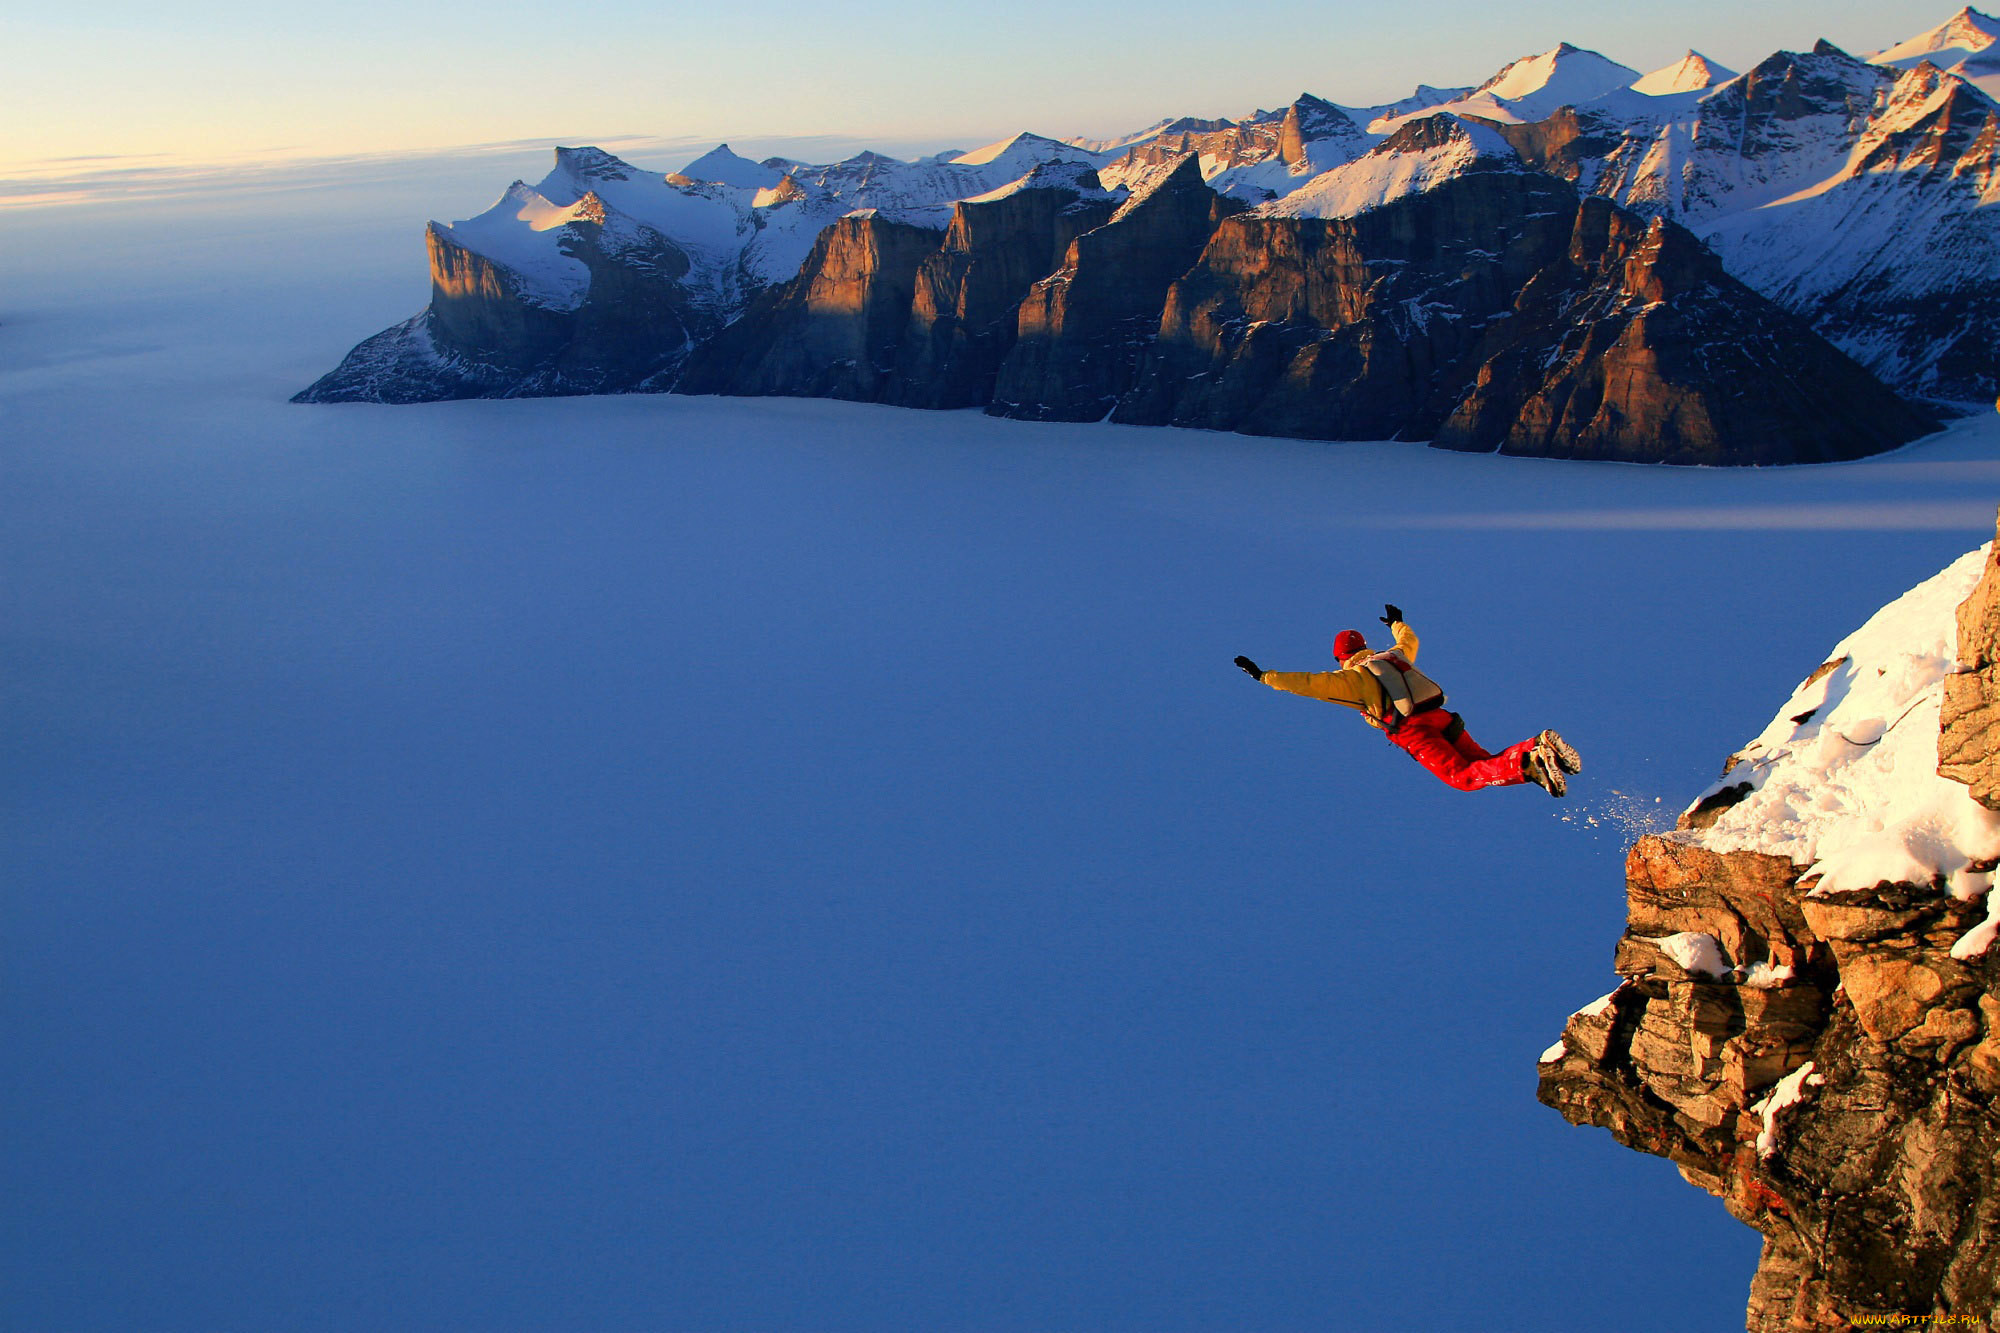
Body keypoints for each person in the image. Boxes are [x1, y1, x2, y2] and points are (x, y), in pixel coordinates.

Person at [1233, 604, 1580, 796]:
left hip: (1415, 732)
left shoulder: (1351, 679)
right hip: (1443, 719)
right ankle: (1534, 747)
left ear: (1340, 657)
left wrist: (1266, 676)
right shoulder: (1391, 656)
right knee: (1483, 761)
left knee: (1463, 777)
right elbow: (1409, 641)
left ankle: (1530, 763)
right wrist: (1398, 623)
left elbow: (1309, 684)